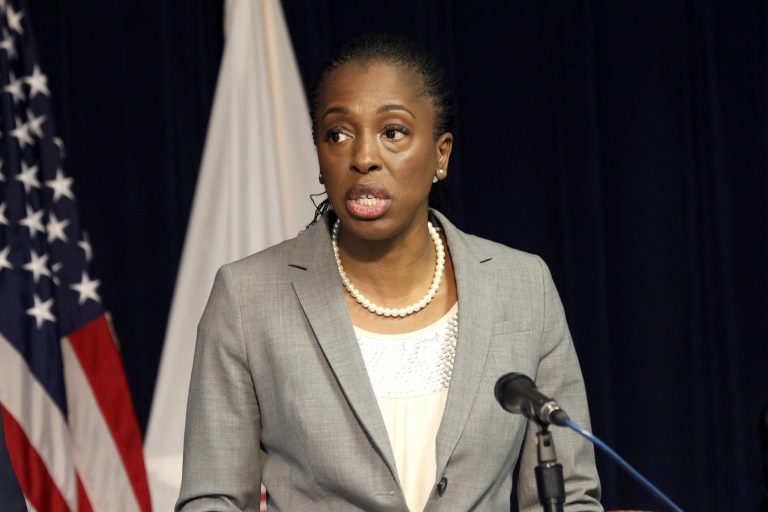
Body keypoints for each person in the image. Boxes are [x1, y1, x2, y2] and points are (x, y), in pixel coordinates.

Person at [177, 34, 602, 511]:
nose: (362, 157)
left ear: (441, 154)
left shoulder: (523, 287)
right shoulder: (248, 296)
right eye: (337, 134)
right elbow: (211, 500)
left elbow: (570, 496)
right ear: (319, 157)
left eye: (393, 132)